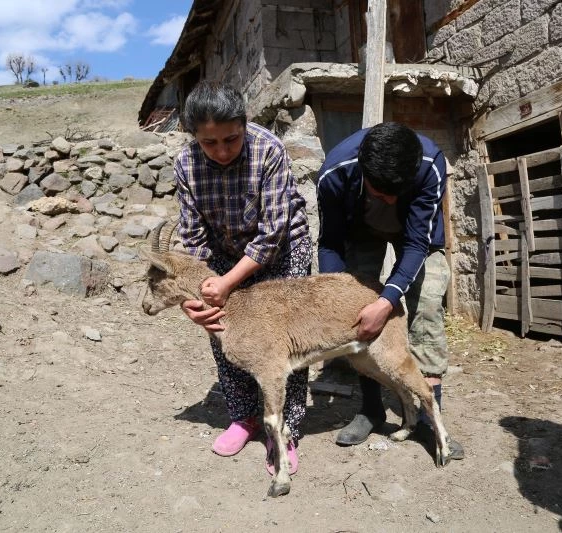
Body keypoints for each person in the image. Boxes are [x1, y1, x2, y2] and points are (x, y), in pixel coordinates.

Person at [173, 81, 312, 474]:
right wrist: (194, 299)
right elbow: (194, 239)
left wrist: (228, 282)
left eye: (230, 140)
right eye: (208, 143)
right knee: (224, 334)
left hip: (283, 247)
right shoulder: (185, 166)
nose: (220, 151)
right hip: (224, 250)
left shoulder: (269, 150)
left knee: (287, 343)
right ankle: (245, 417)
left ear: (245, 125)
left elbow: (272, 233)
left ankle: (284, 430)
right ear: (194, 138)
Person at [316, 121, 464, 460]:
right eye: (382, 192)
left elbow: (416, 243)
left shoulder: (430, 165)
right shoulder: (335, 174)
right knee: (356, 314)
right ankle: (371, 409)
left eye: (399, 191)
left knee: (427, 308)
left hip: (416, 234)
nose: (391, 199)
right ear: (364, 172)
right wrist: (335, 298)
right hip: (359, 230)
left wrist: (388, 299)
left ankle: (429, 419)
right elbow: (331, 242)